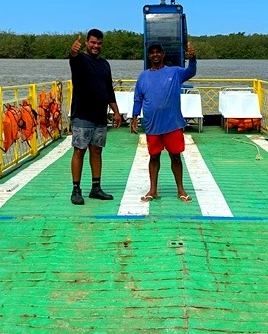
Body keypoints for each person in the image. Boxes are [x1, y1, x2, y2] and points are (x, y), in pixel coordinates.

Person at [130, 41, 197, 202]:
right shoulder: (143, 76)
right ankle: (153, 190)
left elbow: (191, 71)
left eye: (158, 52)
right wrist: (134, 116)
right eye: (152, 52)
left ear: (163, 54)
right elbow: (138, 98)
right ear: (148, 55)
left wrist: (192, 58)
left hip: (172, 124)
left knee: (176, 156)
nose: (155, 54)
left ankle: (180, 189)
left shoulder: (175, 72)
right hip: (152, 124)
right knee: (154, 157)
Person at [68, 29, 122, 205]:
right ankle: (76, 189)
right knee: (79, 150)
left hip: (100, 115)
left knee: (97, 151)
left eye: (99, 43)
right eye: (92, 42)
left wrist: (116, 111)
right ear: (86, 43)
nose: (96, 46)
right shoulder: (80, 60)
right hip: (82, 115)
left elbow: (109, 90)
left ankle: (96, 188)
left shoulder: (105, 64)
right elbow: (73, 57)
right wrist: (73, 51)